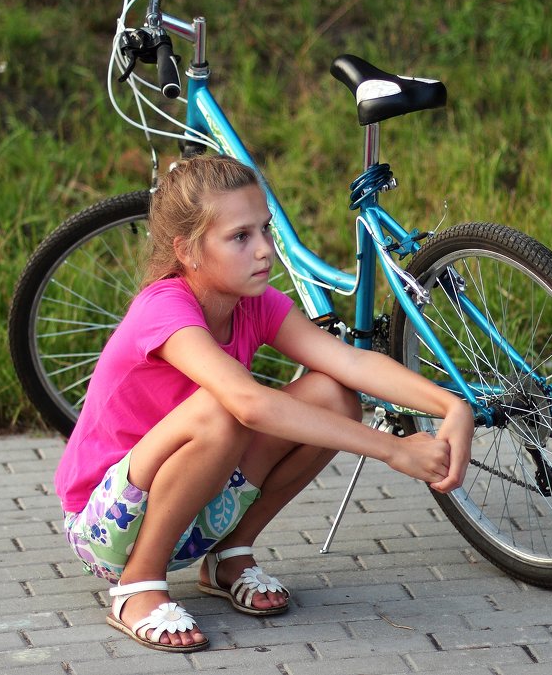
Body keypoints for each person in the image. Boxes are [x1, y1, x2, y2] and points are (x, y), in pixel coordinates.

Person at [54, 155, 473, 653]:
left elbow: (351, 365)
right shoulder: (163, 308)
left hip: (193, 509)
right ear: (187, 250)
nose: (264, 252)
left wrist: (453, 407)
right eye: (240, 237)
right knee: (222, 411)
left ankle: (230, 556)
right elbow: (248, 404)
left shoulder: (255, 302)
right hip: (107, 527)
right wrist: (391, 449)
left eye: (265, 231)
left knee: (335, 396)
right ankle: (138, 588)